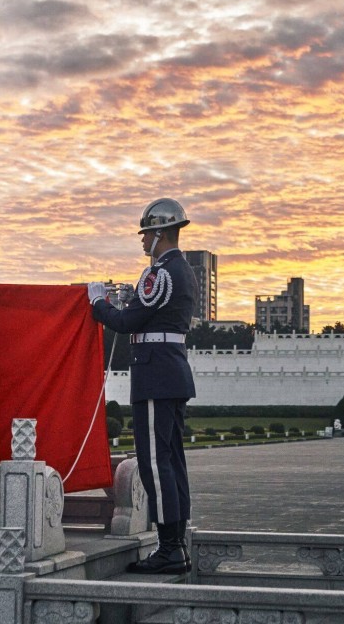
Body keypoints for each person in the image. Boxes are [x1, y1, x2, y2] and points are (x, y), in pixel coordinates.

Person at [88, 197, 197, 574]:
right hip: (171, 373)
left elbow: (127, 321)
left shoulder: (160, 273)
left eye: (146, 233)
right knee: (172, 461)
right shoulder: (182, 271)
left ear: (161, 233)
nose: (142, 240)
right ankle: (176, 544)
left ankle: (169, 548)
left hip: (155, 375)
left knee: (154, 463)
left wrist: (98, 302)